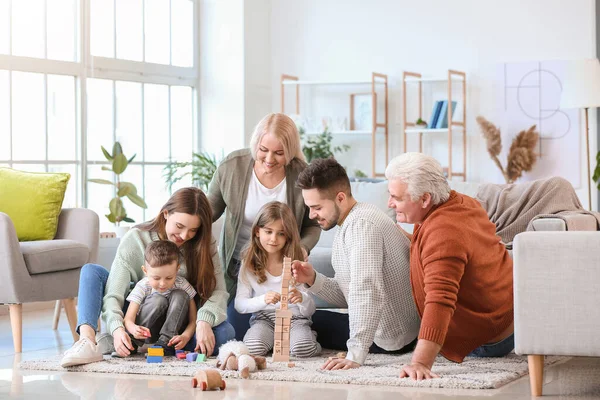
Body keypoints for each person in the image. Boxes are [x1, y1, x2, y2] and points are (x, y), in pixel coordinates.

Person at [60, 187, 235, 367]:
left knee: (224, 334)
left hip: (179, 318)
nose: (184, 236)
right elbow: (114, 293)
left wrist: (203, 321)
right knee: (91, 271)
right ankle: (89, 341)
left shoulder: (204, 245)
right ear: (166, 213)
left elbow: (219, 292)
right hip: (141, 314)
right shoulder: (135, 238)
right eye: (180, 226)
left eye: (193, 230)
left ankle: (160, 344)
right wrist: (118, 328)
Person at [385, 152, 513, 381]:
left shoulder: (444, 233)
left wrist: (420, 363)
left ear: (425, 199)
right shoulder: (461, 202)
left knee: (374, 339)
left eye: (396, 197)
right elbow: (431, 250)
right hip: (506, 319)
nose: (390, 203)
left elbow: (440, 299)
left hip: (488, 341)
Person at [292, 158, 420, 370]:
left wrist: (355, 355)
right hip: (387, 330)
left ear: (340, 197)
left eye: (316, 207)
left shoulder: (361, 225)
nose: (312, 215)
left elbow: (365, 291)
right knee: (301, 320)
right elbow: (349, 294)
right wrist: (312, 279)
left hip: (393, 338)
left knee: (299, 322)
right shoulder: (350, 221)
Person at [207, 113, 320, 340]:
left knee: (290, 326)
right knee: (234, 333)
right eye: (263, 150)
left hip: (281, 264)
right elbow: (208, 211)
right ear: (254, 144)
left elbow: (312, 225)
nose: (269, 159)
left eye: (279, 153)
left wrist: (302, 249)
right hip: (238, 265)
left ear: (290, 151)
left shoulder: (302, 174)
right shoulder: (233, 167)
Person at [235, 201, 321, 358]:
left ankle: (302, 338)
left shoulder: (297, 262)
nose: (273, 239)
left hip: (295, 319)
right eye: (268, 231)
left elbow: (310, 309)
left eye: (281, 233)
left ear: (288, 236)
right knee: (252, 349)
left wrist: (301, 299)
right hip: (264, 319)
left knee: (303, 349)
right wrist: (263, 299)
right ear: (257, 231)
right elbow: (240, 305)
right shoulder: (248, 263)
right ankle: (274, 341)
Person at [123, 240, 197, 356]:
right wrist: (133, 329)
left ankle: (165, 343)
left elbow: (193, 319)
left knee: (180, 294)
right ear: (145, 271)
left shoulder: (183, 284)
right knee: (159, 299)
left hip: (172, 333)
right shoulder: (143, 286)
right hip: (146, 331)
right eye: (156, 278)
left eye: (169, 278)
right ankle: (133, 343)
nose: (162, 284)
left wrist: (186, 336)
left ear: (177, 269)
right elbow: (128, 320)